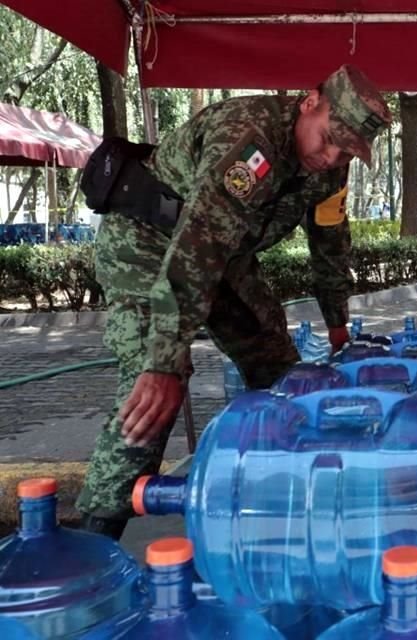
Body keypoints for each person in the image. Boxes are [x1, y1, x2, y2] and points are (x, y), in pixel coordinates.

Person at [76, 64, 392, 540]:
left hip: (222, 254)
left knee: (280, 370)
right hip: (148, 245)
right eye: (328, 138)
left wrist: (338, 325)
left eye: (345, 149)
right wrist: (165, 360)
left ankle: (282, 498)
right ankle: (95, 535)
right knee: (156, 381)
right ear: (308, 102)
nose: (330, 156)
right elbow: (196, 243)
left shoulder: (331, 172)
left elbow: (330, 244)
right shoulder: (251, 140)